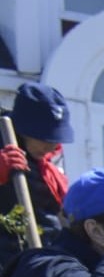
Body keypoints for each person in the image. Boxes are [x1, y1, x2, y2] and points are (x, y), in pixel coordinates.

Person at [0, 83, 73, 265]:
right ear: (23, 128)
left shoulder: (51, 160)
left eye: (55, 138)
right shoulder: (4, 142)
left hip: (44, 255)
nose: (51, 146)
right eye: (44, 137)